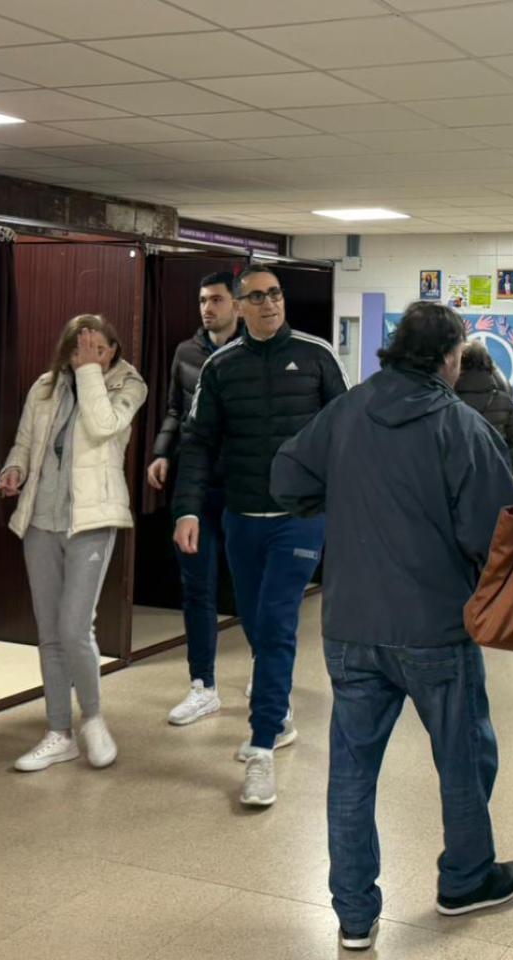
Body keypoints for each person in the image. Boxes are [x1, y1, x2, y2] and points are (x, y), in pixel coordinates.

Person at [273, 301, 513, 952]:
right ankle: (466, 877)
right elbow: (499, 532)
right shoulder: (459, 427)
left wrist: (335, 498)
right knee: (465, 756)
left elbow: (287, 477)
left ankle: (355, 916)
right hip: (435, 627)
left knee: (352, 772)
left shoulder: (348, 410)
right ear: (448, 359)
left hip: (350, 624)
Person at [173, 265, 347, 808]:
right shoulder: (221, 367)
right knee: (254, 621)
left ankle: (262, 744)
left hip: (300, 518)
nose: (269, 303)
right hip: (242, 516)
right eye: (257, 296)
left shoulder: (317, 355)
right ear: (240, 307)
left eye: (275, 294)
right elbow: (198, 443)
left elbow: (343, 435)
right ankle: (280, 708)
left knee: (275, 622)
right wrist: (188, 510)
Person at [0, 315, 146, 773]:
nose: (91, 353)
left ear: (114, 350)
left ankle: (93, 720)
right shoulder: (45, 387)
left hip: (92, 521)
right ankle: (58, 731)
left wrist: (89, 374)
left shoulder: (128, 385)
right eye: (81, 347)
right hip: (41, 521)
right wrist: (13, 470)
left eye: (100, 347)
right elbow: (25, 443)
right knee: (49, 633)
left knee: (75, 627)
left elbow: (103, 427)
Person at [148, 271, 244, 727]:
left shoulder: (252, 353)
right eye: (203, 300)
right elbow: (174, 408)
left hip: (243, 485)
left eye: (217, 300)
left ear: (237, 306)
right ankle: (202, 685)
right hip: (195, 484)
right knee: (198, 589)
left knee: (252, 588)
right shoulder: (186, 352)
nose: (208, 308)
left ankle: (268, 677)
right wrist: (162, 452)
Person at [454, 341, 513, 472]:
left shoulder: (448, 400)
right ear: (488, 364)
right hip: (495, 473)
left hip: (459, 476)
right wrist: (507, 469)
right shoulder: (502, 399)